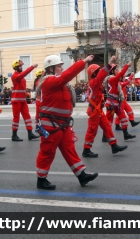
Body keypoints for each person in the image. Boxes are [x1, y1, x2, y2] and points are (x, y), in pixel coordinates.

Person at [35, 54, 98, 190]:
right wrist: (83, 62)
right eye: (59, 66)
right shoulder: (49, 81)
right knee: (47, 152)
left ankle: (81, 175)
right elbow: (67, 76)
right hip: (50, 125)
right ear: (50, 68)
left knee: (70, 149)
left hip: (62, 124)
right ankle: (41, 179)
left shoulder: (60, 84)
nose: (61, 68)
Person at [82, 56, 128, 158]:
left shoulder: (96, 83)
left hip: (98, 110)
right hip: (94, 110)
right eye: (98, 71)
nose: (100, 72)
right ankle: (86, 149)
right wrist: (110, 63)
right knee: (92, 130)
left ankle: (114, 145)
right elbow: (102, 74)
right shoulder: (94, 82)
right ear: (94, 73)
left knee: (107, 127)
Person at [104, 62, 136, 141]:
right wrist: (127, 65)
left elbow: (123, 80)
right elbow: (122, 75)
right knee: (109, 121)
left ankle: (126, 134)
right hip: (111, 104)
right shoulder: (112, 79)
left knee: (123, 118)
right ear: (112, 71)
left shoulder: (115, 80)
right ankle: (105, 136)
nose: (117, 70)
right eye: (116, 69)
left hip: (116, 103)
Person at [10, 59, 40, 141]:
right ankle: (14, 135)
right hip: (16, 101)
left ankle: (30, 133)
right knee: (16, 118)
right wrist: (32, 67)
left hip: (23, 100)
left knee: (27, 117)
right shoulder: (15, 76)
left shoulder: (20, 76)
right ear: (15, 68)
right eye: (19, 66)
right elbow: (23, 74)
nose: (21, 67)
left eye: (21, 66)